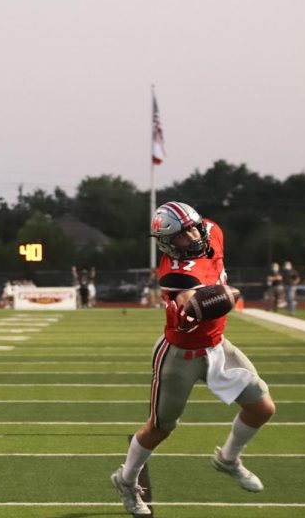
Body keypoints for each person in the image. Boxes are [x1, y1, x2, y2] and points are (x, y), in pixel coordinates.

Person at [111, 202, 275, 516]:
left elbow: (206, 237)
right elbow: (192, 299)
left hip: (217, 346)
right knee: (160, 427)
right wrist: (202, 304)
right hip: (180, 355)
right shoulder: (175, 273)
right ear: (167, 242)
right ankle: (126, 480)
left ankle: (227, 459)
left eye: (192, 227)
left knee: (261, 408)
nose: (192, 234)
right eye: (182, 234)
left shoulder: (211, 230)